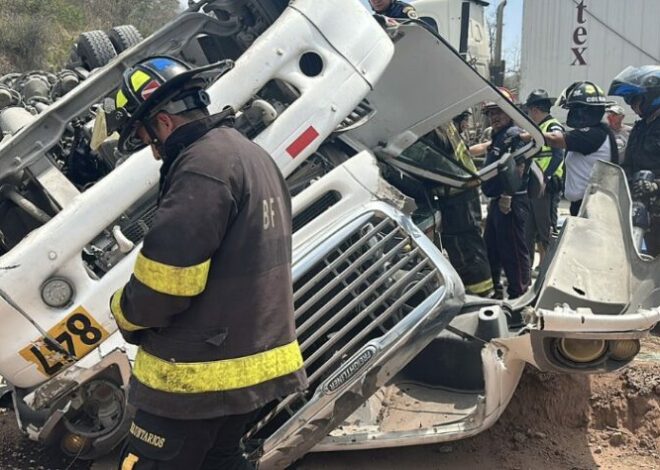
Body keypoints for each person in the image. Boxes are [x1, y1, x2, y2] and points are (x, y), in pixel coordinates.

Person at [99, 56, 307, 469]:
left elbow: (167, 284)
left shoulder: (201, 167)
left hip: (198, 378)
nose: (151, 150)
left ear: (163, 123)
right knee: (220, 461)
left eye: (143, 136)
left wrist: (125, 312)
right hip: (255, 368)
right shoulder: (251, 156)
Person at [481, 92, 532, 299]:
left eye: (499, 112)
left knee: (512, 251)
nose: (495, 117)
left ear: (510, 113)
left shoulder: (513, 134)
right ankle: (497, 292)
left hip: (509, 201)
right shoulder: (498, 135)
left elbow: (519, 165)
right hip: (496, 201)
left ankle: (518, 295)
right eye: (491, 113)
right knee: (492, 249)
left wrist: (507, 195)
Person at [541, 81, 618, 216]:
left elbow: (555, 139)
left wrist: (530, 134)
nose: (570, 113)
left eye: (573, 109)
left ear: (583, 111)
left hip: (592, 208)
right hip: (584, 206)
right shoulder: (597, 133)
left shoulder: (594, 135)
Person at [609, 65, 660, 255]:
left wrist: (656, 185)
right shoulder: (640, 128)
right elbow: (628, 164)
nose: (632, 105)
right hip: (642, 209)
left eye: (635, 99)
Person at [523, 89, 564, 269]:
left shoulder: (553, 126)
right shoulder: (537, 129)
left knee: (546, 230)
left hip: (545, 188)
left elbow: (557, 155)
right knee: (528, 231)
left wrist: (545, 178)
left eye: (529, 111)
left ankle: (548, 269)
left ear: (535, 110)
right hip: (533, 187)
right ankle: (528, 268)